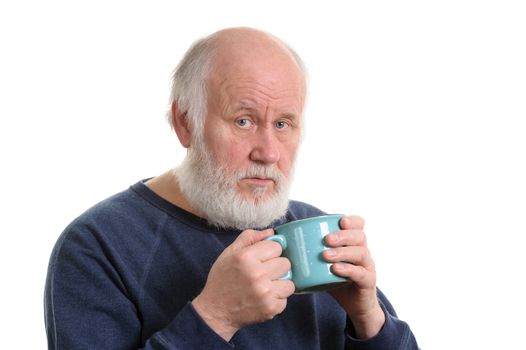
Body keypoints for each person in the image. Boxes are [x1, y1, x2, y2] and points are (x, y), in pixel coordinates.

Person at [44, 27, 419, 349]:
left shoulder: (313, 230)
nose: (268, 152)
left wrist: (368, 317)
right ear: (185, 122)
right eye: (243, 120)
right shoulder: (97, 246)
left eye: (284, 124)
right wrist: (215, 317)